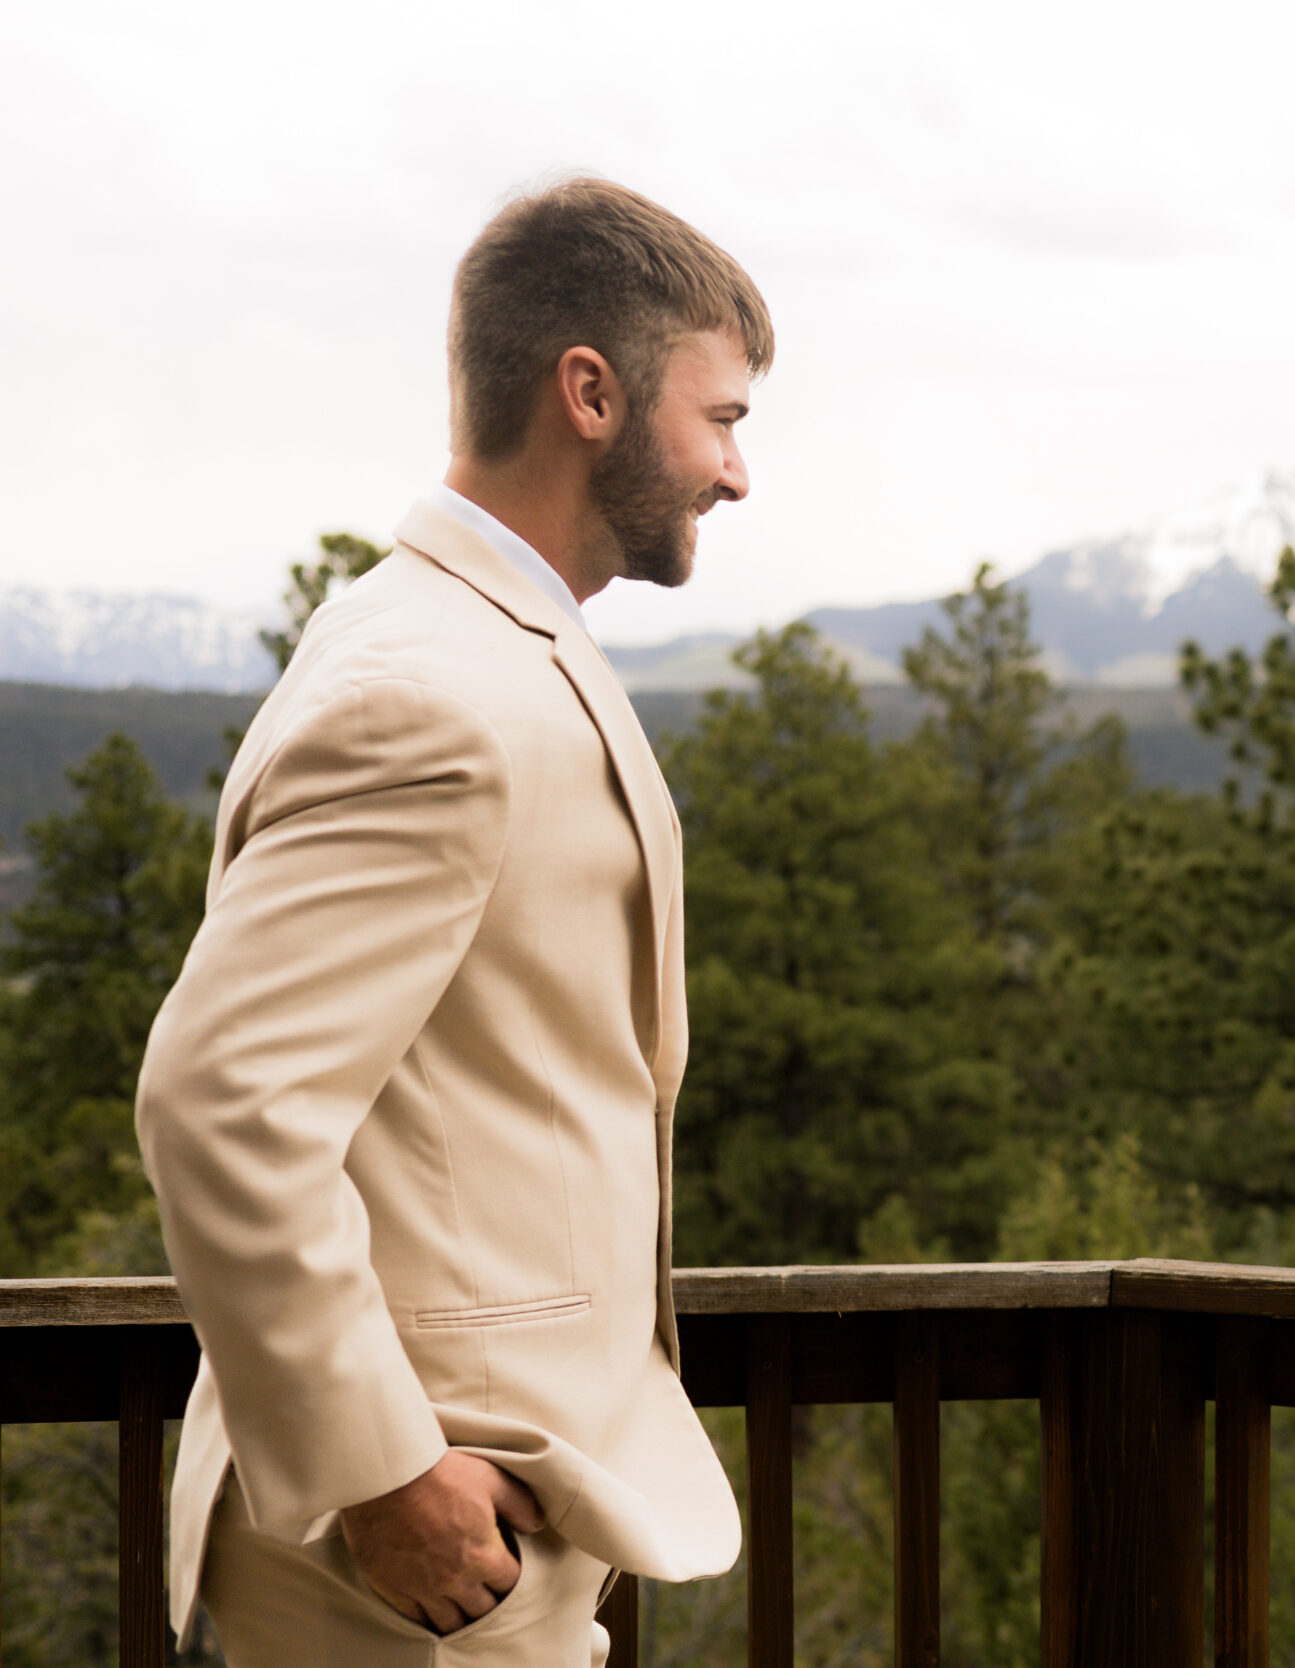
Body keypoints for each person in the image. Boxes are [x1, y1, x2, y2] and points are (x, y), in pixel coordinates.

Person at [135, 177, 773, 1666]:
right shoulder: (431, 691)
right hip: (411, 1555)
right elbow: (222, 1100)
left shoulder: (469, 636)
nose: (737, 473)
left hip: (494, 1518)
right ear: (590, 394)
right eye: (723, 418)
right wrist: (384, 1473)